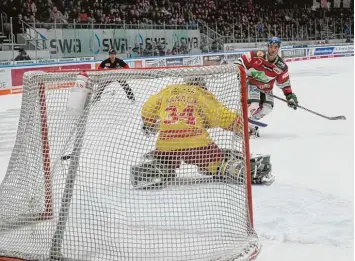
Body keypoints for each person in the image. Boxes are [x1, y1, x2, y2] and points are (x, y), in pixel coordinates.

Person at [130, 77, 273, 189]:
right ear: (201, 86)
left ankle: (157, 169)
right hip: (196, 143)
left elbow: (147, 109)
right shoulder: (200, 93)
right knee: (215, 162)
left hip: (166, 143)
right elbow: (220, 115)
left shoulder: (168, 90)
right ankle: (233, 169)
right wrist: (239, 124)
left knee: (165, 159)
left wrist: (149, 123)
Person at [235, 37, 298, 137]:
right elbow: (240, 61)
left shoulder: (282, 66)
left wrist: (289, 96)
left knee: (267, 108)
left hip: (266, 87)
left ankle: (250, 122)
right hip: (252, 83)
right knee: (253, 105)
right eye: (271, 46)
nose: (273, 49)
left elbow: (284, 83)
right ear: (267, 47)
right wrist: (239, 71)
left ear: (278, 48)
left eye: (275, 47)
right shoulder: (256, 55)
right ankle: (244, 125)